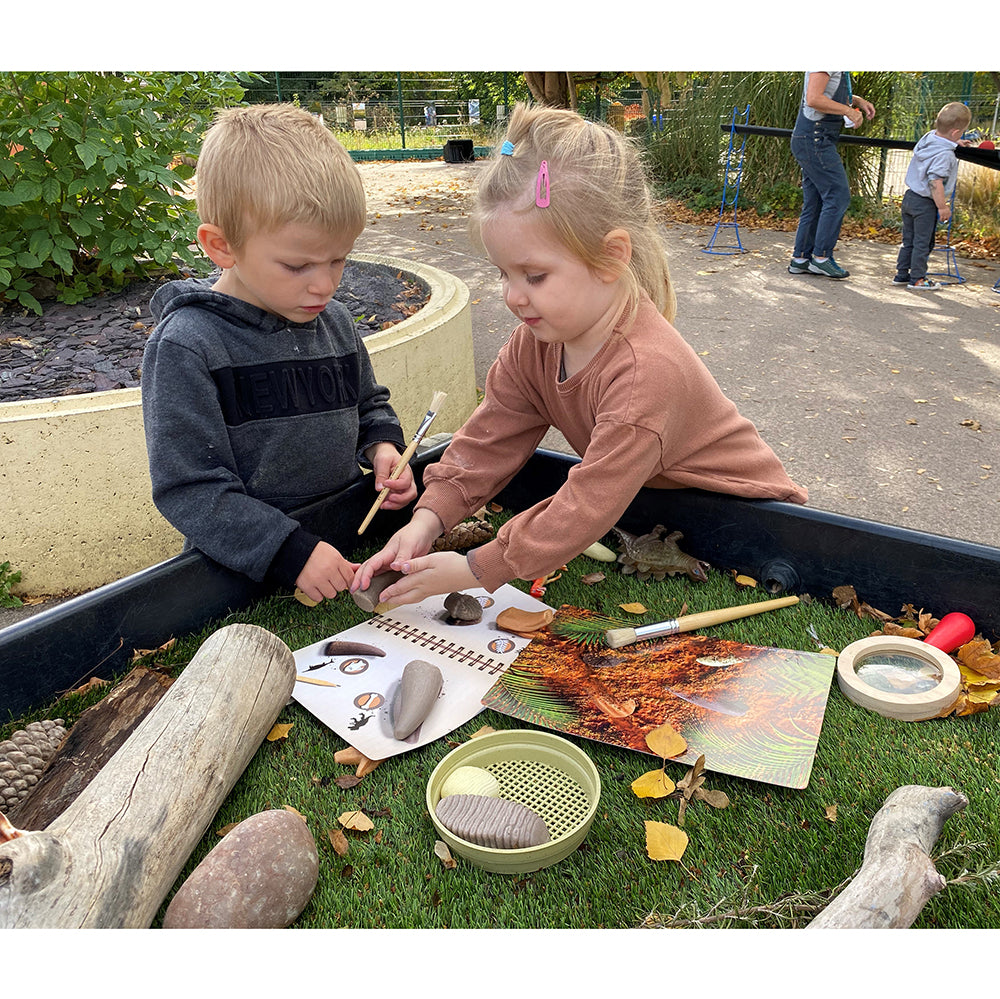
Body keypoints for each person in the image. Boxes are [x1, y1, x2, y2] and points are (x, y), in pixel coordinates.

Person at [352, 103, 807, 610]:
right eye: (504, 274)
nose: (512, 296)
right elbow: (488, 438)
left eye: (535, 275)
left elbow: (588, 502)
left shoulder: (646, 372)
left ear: (611, 256)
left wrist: (476, 567)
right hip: (654, 508)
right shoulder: (536, 343)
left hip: (754, 528)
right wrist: (427, 519)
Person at [141, 104, 417, 603]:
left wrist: (383, 449)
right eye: (297, 265)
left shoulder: (332, 321)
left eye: (338, 259)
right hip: (241, 575)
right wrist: (289, 551)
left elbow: (368, 403)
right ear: (221, 247)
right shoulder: (187, 345)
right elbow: (189, 487)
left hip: (347, 536)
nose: (324, 284)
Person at [787, 72, 876, 280]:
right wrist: (849, 111)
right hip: (815, 138)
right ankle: (821, 258)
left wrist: (857, 101)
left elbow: (827, 92)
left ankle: (801, 259)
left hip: (813, 137)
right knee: (837, 195)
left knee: (816, 200)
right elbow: (814, 98)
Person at [893, 102, 973, 290]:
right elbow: (935, 181)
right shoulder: (945, 155)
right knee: (923, 243)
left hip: (910, 197)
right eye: (961, 133)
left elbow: (941, 137)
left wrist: (955, 142)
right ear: (955, 132)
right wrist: (942, 206)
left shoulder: (928, 138)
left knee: (909, 240)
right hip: (926, 203)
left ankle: (902, 274)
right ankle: (918, 279)